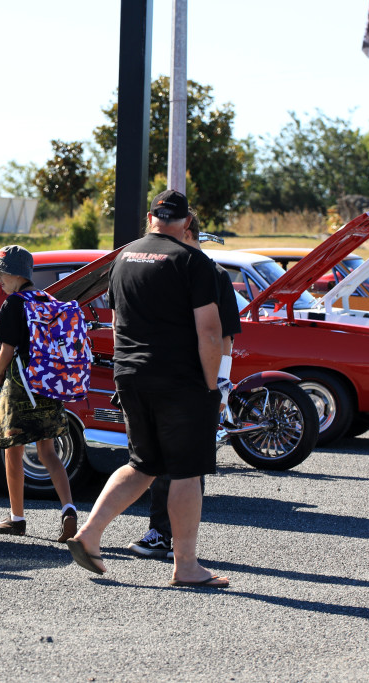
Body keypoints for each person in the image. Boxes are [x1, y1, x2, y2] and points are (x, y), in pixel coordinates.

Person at [67, 189, 229, 587]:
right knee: (187, 471)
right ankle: (186, 566)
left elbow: (117, 323)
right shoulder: (193, 261)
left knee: (143, 464)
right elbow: (210, 332)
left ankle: (89, 534)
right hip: (180, 380)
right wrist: (212, 388)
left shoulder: (123, 258)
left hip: (130, 374)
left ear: (149, 218)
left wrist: (125, 371)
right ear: (187, 222)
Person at [129, 209, 240, 559]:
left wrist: (219, 387)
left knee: (182, 467)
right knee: (158, 464)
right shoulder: (169, 266)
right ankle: (165, 537)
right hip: (165, 379)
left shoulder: (210, 273)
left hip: (193, 383)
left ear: (187, 232)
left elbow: (224, 337)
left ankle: (169, 538)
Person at [0, 245, 79, 542]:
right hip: (48, 384)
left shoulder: (14, 303)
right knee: (48, 451)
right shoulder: (48, 300)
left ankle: (17, 518)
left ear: (17, 274)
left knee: (13, 451)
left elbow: (7, 349)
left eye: (1, 274)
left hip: (20, 384)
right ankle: (68, 509)